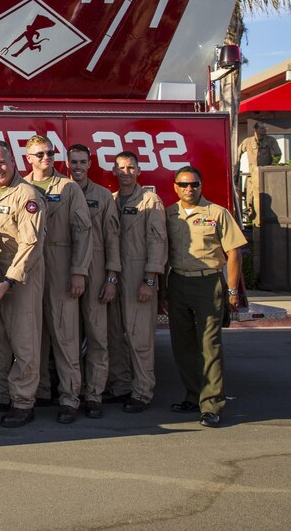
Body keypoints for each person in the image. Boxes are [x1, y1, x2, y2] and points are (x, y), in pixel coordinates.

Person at [164, 165, 246, 428]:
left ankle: (211, 405)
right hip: (177, 282)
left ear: (201, 186)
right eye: (184, 184)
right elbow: (163, 254)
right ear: (175, 187)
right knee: (182, 345)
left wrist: (232, 291)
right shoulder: (168, 214)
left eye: (194, 184)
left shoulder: (217, 213)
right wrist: (162, 291)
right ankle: (193, 395)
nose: (190, 189)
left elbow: (234, 253)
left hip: (208, 283)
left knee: (209, 346)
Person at [0, 140, 46, 428]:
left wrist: (10, 280)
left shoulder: (27, 195)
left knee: (24, 343)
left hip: (20, 279)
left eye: (1, 162)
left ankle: (23, 402)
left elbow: (31, 244)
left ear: (14, 161)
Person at [23, 135, 92, 425]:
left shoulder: (68, 187)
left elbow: (83, 231)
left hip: (61, 263)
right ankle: (37, 392)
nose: (45, 158)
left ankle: (69, 398)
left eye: (50, 153)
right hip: (29, 265)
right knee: (31, 334)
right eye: (39, 154)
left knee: (65, 335)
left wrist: (78, 271)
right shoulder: (21, 187)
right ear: (29, 158)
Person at [105, 151, 166, 413]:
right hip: (115, 274)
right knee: (115, 334)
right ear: (114, 171)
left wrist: (150, 279)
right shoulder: (113, 200)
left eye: (130, 168)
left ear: (139, 171)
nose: (125, 172)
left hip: (139, 272)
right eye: (121, 168)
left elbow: (157, 240)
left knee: (139, 337)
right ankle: (121, 386)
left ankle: (142, 392)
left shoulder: (150, 201)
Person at [66, 143, 121, 418]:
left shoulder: (103, 196)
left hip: (97, 270)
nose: (77, 167)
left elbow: (113, 238)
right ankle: (71, 393)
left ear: (89, 164)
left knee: (98, 336)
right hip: (68, 269)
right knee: (68, 338)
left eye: (82, 162)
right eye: (73, 162)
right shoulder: (62, 192)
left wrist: (111, 277)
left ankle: (94, 394)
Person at [237, 122, 281, 222]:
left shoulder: (271, 141)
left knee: (265, 202)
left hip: (266, 177)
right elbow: (237, 154)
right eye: (262, 128)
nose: (264, 130)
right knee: (250, 200)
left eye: (265, 128)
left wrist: (271, 168)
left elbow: (277, 155)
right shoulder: (248, 141)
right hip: (252, 177)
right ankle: (252, 223)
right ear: (255, 130)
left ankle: (262, 224)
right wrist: (235, 168)